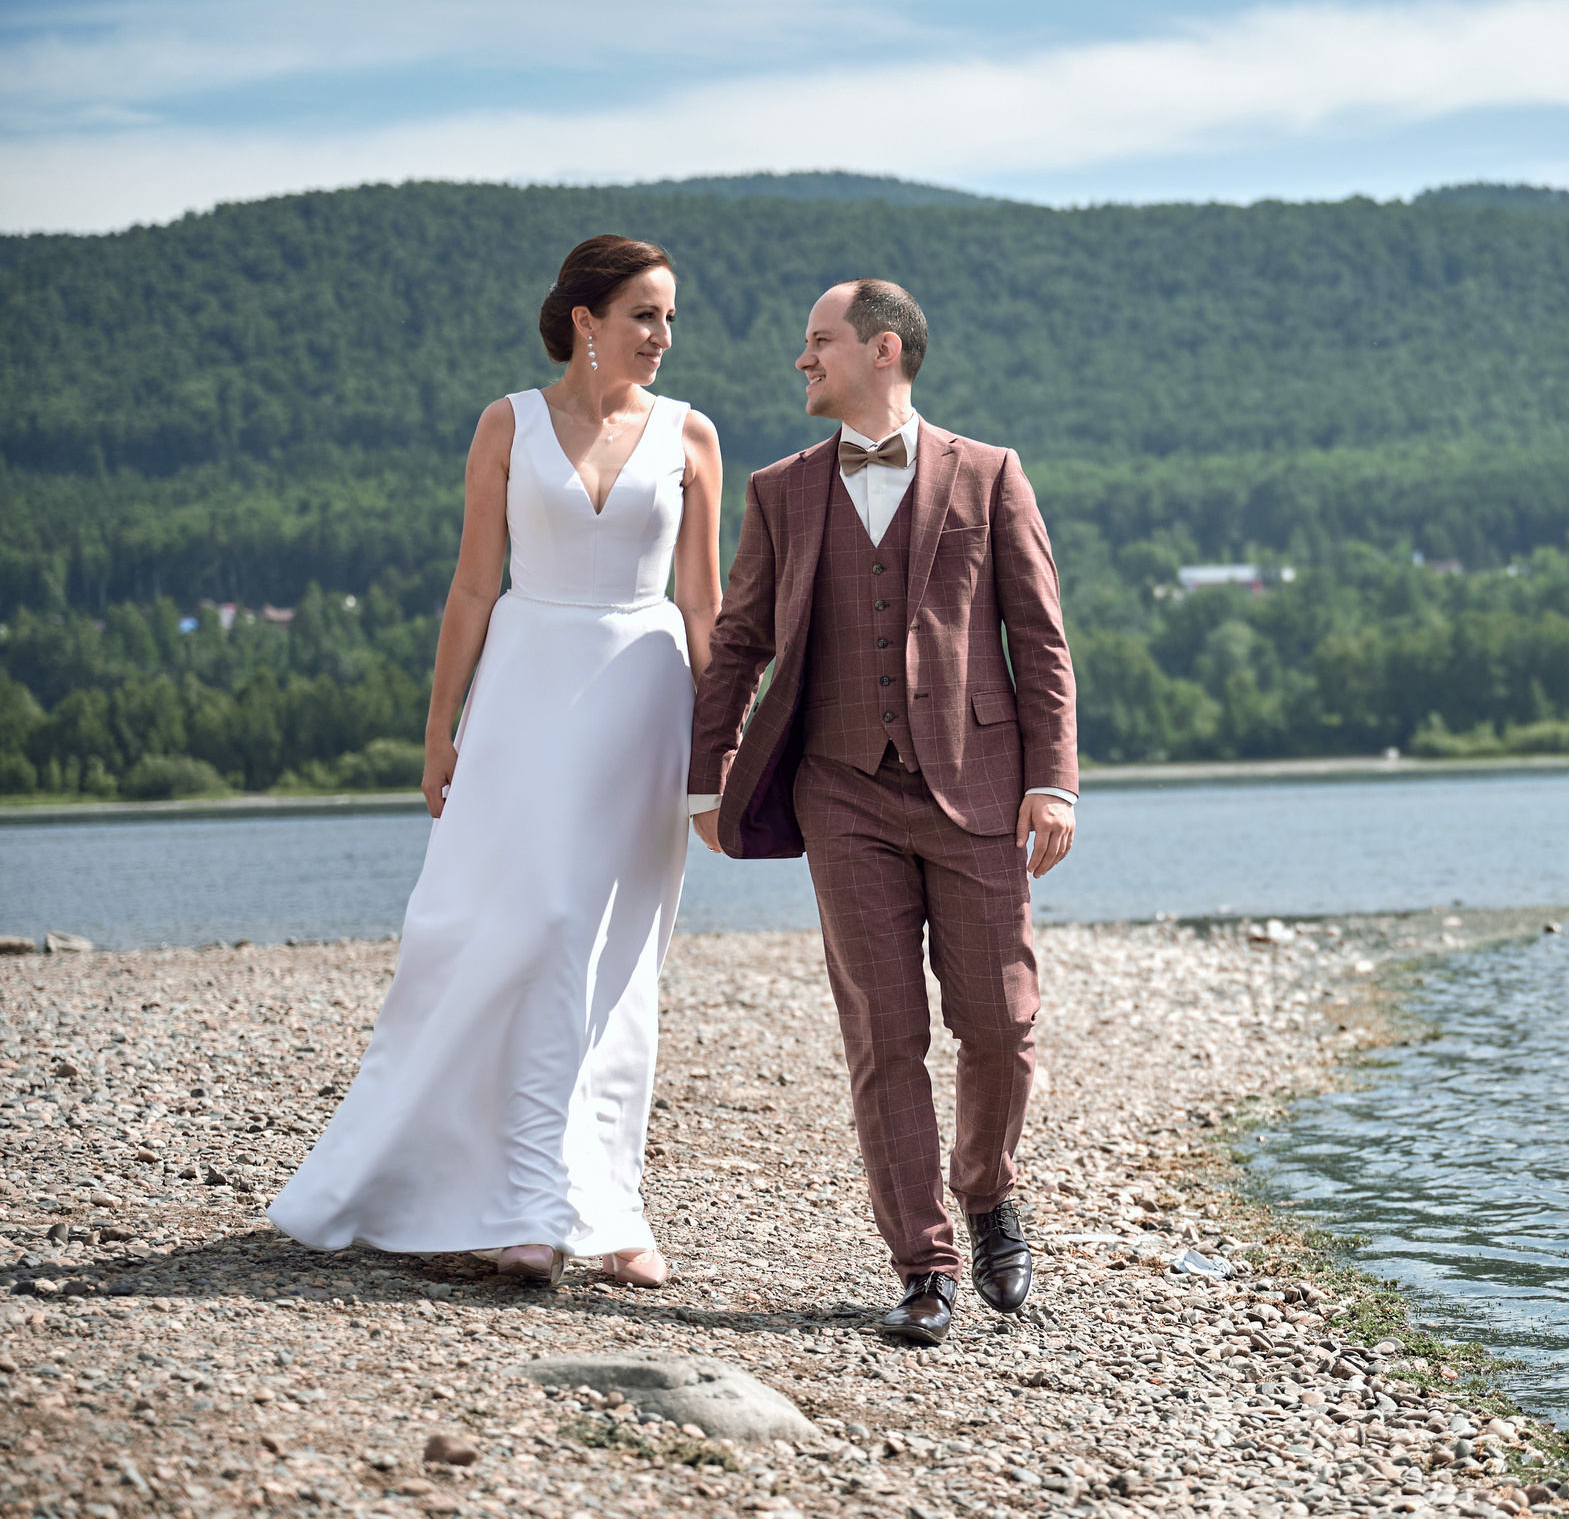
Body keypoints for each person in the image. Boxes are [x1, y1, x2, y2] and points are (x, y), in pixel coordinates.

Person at [268, 235, 724, 1289]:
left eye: (669, 319)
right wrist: (442, 729)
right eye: (645, 316)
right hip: (524, 695)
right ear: (585, 322)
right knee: (530, 927)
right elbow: (474, 587)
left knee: (616, 955)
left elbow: (705, 607)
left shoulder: (691, 436)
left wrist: (724, 740)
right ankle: (518, 1199)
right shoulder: (507, 424)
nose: (663, 337)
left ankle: (605, 1208)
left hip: (645, 703)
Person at [689, 277, 1076, 1345]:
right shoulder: (779, 490)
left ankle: (987, 1187)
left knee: (1000, 1021)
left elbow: (1038, 641)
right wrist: (703, 775)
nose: (802, 361)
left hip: (979, 790)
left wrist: (1054, 779)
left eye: (818, 342)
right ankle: (925, 1266)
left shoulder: (990, 476)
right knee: (882, 1035)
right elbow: (740, 641)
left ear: (884, 351)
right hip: (840, 790)